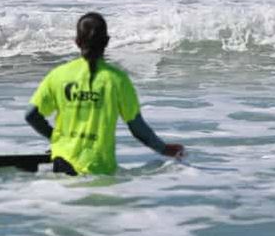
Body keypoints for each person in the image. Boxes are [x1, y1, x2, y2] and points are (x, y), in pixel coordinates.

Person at [26, 12, 184, 175]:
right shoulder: (117, 79)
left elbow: (31, 115)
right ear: (107, 41)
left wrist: (57, 138)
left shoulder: (58, 75)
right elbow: (137, 128)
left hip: (62, 165)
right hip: (99, 171)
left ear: (77, 41)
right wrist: (164, 149)